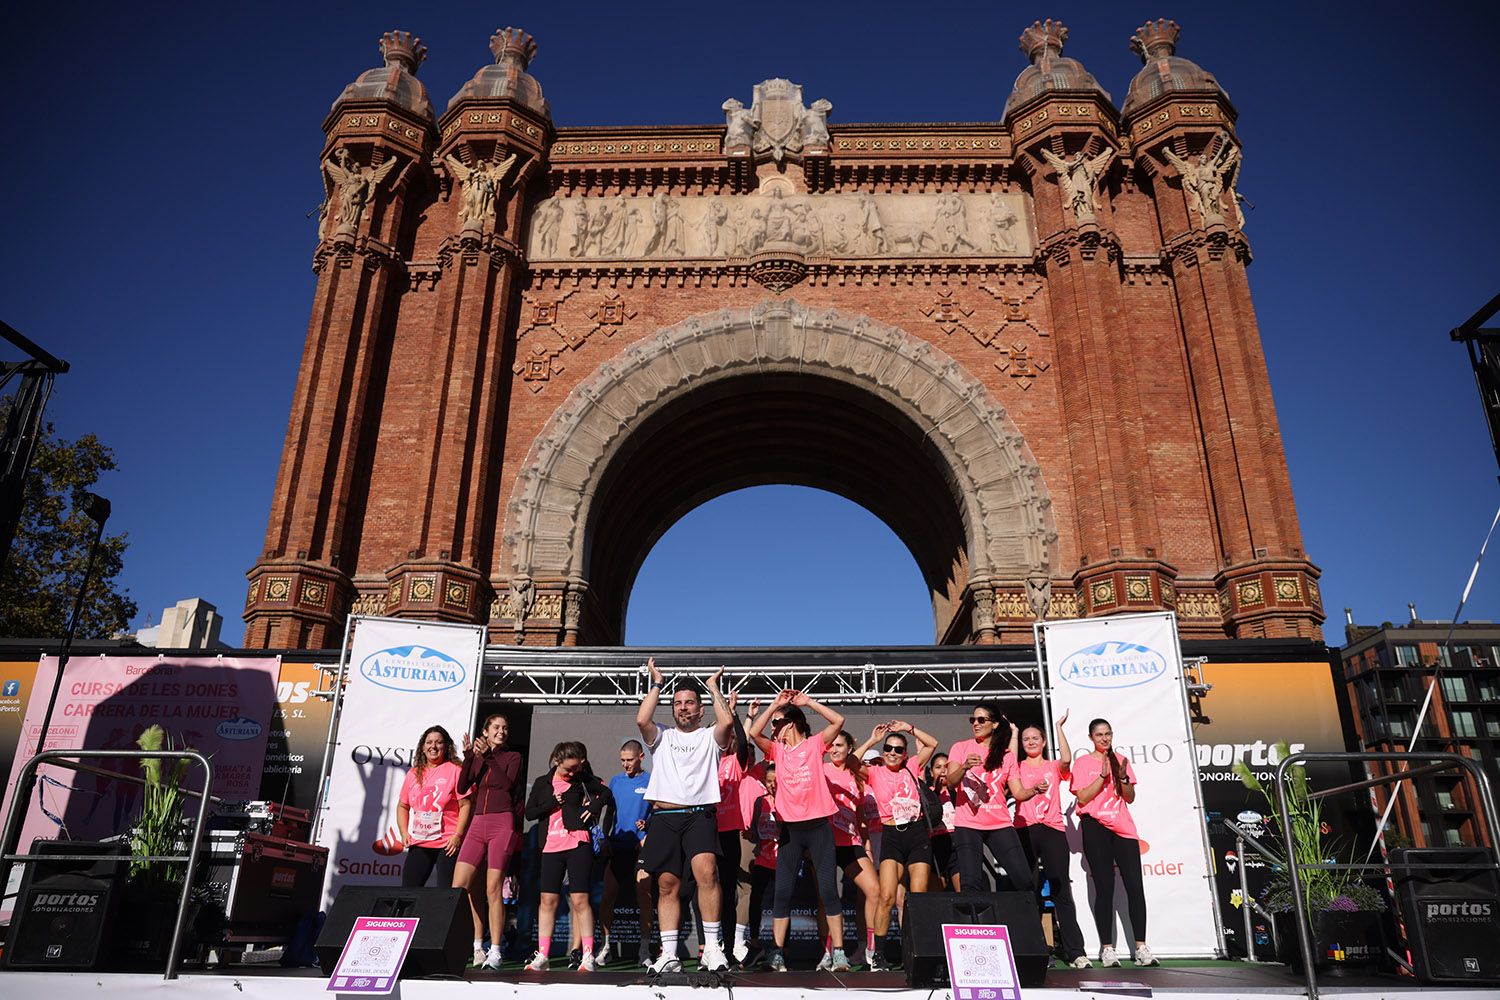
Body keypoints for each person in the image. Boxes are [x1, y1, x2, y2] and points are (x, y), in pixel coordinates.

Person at [636, 659, 735, 973]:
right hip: (665, 817)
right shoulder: (662, 736)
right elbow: (642, 719)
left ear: (700, 709)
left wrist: (713, 686)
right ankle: (669, 953)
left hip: (699, 816)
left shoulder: (710, 737)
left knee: (707, 873)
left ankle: (713, 949)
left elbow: (728, 724)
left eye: (689, 703)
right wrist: (657, 683)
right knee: (667, 885)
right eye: (678, 703)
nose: (683, 708)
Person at [748, 689, 850, 972]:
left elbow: (838, 721)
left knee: (828, 890)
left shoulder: (815, 745)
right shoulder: (777, 751)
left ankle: (838, 952)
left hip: (818, 828)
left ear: (790, 724)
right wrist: (774, 705)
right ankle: (777, 954)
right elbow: (754, 734)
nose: (773, 729)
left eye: (777, 723)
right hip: (790, 831)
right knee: (782, 893)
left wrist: (808, 703)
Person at [1070, 717, 1157, 968]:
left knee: (1134, 886)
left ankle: (1141, 947)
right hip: (1095, 827)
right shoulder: (1083, 763)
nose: (1104, 738)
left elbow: (1129, 798)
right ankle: (1107, 949)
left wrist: (1123, 779)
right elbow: (1083, 798)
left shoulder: (1121, 761)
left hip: (1122, 827)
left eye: (1108, 734)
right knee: (1105, 887)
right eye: (1099, 735)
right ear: (1090, 738)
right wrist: (1101, 777)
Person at [854, 720, 939, 971]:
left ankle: (915, 950)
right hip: (891, 834)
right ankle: (878, 955)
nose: (892, 752)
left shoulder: (912, 766)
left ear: (905, 754)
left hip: (916, 834)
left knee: (917, 896)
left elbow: (932, 743)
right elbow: (850, 762)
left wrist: (909, 729)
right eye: (889, 748)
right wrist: (872, 740)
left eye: (898, 749)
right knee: (887, 896)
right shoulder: (875, 772)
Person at [523, 742, 613, 972]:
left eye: (576, 768)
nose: (573, 773)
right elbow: (530, 812)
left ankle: (588, 955)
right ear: (556, 761)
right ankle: (543, 955)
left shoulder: (582, 779)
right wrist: (553, 802)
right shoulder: (543, 783)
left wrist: (593, 807)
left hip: (577, 843)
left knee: (580, 900)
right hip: (551, 845)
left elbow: (606, 793)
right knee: (548, 901)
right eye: (568, 769)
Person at [1011, 710, 1090, 969]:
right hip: (1025, 829)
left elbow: (1066, 759)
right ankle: (1034, 951)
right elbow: (1009, 758)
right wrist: (1012, 733)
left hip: (1053, 830)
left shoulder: (1052, 766)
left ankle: (1075, 951)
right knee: (1027, 891)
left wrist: (1058, 727)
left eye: (1035, 738)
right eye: (1026, 739)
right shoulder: (1017, 766)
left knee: (1060, 890)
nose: (1031, 742)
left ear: (1044, 742)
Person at [455, 714, 524, 969]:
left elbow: (507, 785)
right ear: (485, 731)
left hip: (501, 823)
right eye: (496, 727)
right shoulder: (478, 757)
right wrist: (469, 757)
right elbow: (463, 786)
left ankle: (495, 950)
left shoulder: (512, 757)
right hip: (477, 824)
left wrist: (489, 758)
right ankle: (474, 946)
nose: (501, 731)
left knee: (493, 888)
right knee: (459, 888)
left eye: (505, 728)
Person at [945, 703, 1033, 894]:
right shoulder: (961, 747)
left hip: (999, 824)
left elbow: (1018, 793)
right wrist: (965, 766)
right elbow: (951, 782)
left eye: (981, 719)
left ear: (994, 724)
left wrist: (1033, 790)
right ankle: (976, 924)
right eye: (973, 720)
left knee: (1024, 880)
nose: (975, 723)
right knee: (970, 884)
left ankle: (1025, 922)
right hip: (968, 823)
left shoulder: (1006, 755)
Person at [821, 730, 881, 970]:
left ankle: (871, 950)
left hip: (851, 843)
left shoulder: (857, 776)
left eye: (840, 745)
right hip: (824, 842)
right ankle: (828, 952)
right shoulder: (822, 770)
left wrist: (864, 840)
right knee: (826, 897)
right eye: (832, 745)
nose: (834, 749)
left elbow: (858, 815)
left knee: (874, 890)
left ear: (849, 748)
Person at [597, 740, 653, 967]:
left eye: (630, 760)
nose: (625, 765)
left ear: (641, 756)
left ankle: (644, 950)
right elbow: (610, 812)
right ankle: (606, 946)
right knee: (608, 897)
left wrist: (647, 825)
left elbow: (657, 811)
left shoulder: (651, 780)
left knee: (644, 897)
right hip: (617, 845)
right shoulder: (616, 781)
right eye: (622, 760)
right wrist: (605, 836)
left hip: (640, 846)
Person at [397, 725, 472, 890]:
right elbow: (402, 805)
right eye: (429, 742)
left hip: (447, 844)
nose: (434, 746)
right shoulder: (413, 773)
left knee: (444, 895)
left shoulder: (456, 771)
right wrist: (404, 833)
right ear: (423, 747)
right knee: (408, 891)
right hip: (420, 842)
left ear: (446, 747)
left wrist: (457, 835)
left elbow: (465, 805)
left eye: (438, 742)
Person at [716, 693, 759, 965]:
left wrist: (735, 714)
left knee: (731, 889)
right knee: (707, 892)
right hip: (704, 832)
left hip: (729, 833)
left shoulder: (735, 763)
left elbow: (742, 742)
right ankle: (711, 945)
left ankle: (730, 948)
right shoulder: (707, 760)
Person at [742, 762, 778, 965]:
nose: (772, 785)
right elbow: (757, 833)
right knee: (756, 901)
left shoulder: (788, 801)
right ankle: (755, 946)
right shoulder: (760, 802)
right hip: (763, 860)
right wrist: (751, 834)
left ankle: (778, 949)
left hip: (783, 861)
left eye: (776, 781)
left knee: (780, 904)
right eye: (769, 781)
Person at [923, 752, 960, 890]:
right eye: (938, 767)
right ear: (931, 772)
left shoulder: (958, 792)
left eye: (946, 767)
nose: (943, 771)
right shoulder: (927, 793)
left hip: (955, 841)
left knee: (962, 888)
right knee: (938, 890)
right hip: (935, 843)